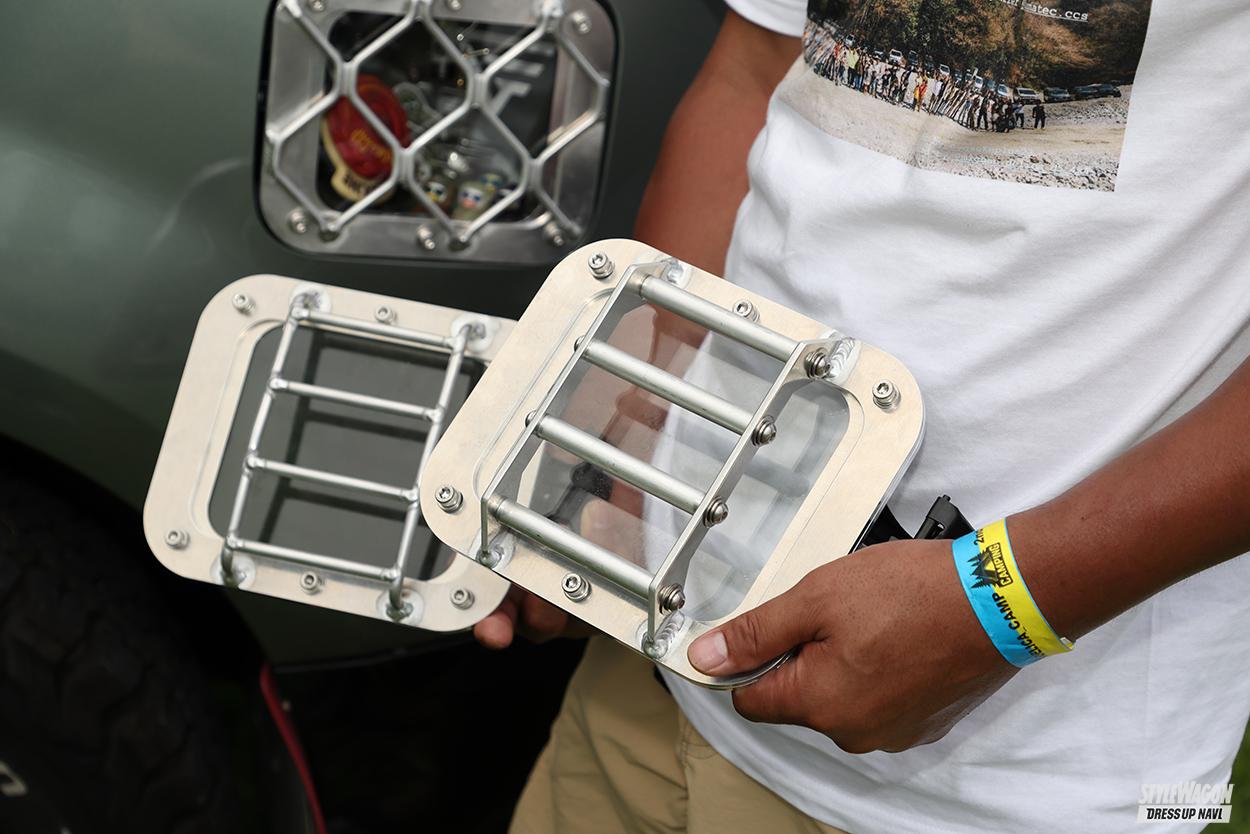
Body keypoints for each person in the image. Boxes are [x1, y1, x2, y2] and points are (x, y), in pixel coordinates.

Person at [481, 6, 1250, 834]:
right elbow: (753, 68)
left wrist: (1000, 608)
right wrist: (633, 430)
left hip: (1010, 781)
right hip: (652, 662)